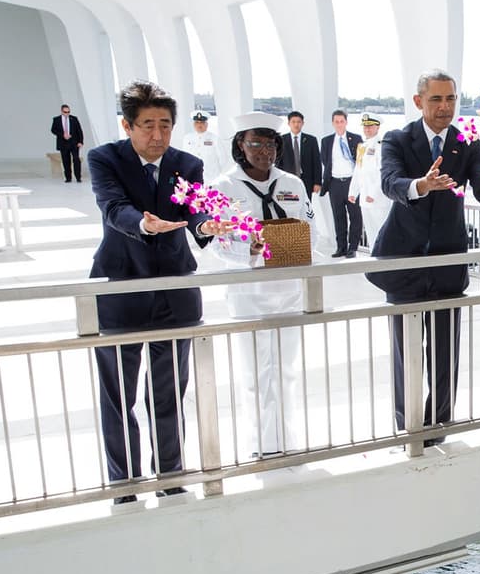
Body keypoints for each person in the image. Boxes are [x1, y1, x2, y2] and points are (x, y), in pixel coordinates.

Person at [88, 80, 229, 508]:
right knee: (119, 396)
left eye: (165, 125)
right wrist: (144, 224)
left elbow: (197, 208)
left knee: (168, 391)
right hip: (122, 289)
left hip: (174, 290)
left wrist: (205, 226)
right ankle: (126, 483)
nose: (157, 135)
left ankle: (171, 476)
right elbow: (113, 207)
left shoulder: (187, 163)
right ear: (127, 126)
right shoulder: (104, 159)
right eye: (147, 125)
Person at [367, 69, 480, 445]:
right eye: (436, 100)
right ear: (418, 102)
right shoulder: (397, 139)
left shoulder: (468, 142)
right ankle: (407, 425)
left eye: (450, 99)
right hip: (403, 263)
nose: (445, 107)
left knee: (445, 350)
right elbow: (389, 183)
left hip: (446, 261)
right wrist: (421, 185)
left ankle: (439, 424)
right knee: (405, 350)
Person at [208, 112, 314, 460]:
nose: (264, 151)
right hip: (248, 293)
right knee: (254, 373)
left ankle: (286, 440)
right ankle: (260, 445)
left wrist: (300, 241)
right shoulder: (223, 187)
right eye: (255, 143)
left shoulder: (292, 184)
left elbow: (313, 229)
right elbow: (217, 243)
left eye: (270, 144)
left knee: (285, 371)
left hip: (287, 290)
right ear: (240, 144)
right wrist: (247, 249)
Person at [320, 109, 364, 257]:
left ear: (346, 122)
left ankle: (353, 248)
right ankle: (341, 247)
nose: (339, 124)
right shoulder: (326, 141)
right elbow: (325, 162)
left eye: (342, 121)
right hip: (335, 184)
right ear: (333, 123)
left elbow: (361, 162)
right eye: (336, 122)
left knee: (355, 216)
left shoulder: (356, 139)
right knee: (338, 217)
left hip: (351, 183)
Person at [347, 112, 391, 251]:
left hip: (378, 199)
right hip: (365, 199)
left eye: (370, 126)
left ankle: (384, 260)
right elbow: (358, 171)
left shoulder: (381, 146)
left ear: (377, 127)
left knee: (382, 232)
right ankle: (374, 259)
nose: (367, 129)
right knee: (371, 233)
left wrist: (373, 193)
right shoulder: (363, 146)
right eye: (365, 127)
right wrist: (353, 191)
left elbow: (382, 172)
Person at [277, 110, 321, 200]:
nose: (296, 124)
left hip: (306, 181)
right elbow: (278, 163)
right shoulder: (282, 140)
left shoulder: (311, 140)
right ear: (289, 123)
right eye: (293, 122)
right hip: (287, 181)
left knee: (306, 206)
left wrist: (317, 182)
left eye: (298, 122)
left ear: (302, 123)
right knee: (289, 205)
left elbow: (316, 162)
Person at [182, 110, 224, 178]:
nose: (199, 125)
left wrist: (221, 176)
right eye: (197, 122)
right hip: (193, 176)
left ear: (206, 124)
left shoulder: (214, 138)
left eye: (202, 122)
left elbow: (223, 159)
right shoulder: (187, 138)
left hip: (211, 177)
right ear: (194, 124)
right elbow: (184, 158)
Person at [50, 103, 84, 182]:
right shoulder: (56, 119)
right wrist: (62, 135)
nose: (67, 114)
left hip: (74, 142)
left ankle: (78, 177)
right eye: (65, 112)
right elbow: (53, 130)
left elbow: (79, 130)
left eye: (68, 112)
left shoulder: (74, 119)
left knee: (76, 159)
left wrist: (80, 141)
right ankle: (68, 178)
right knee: (66, 160)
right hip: (63, 143)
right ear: (61, 111)